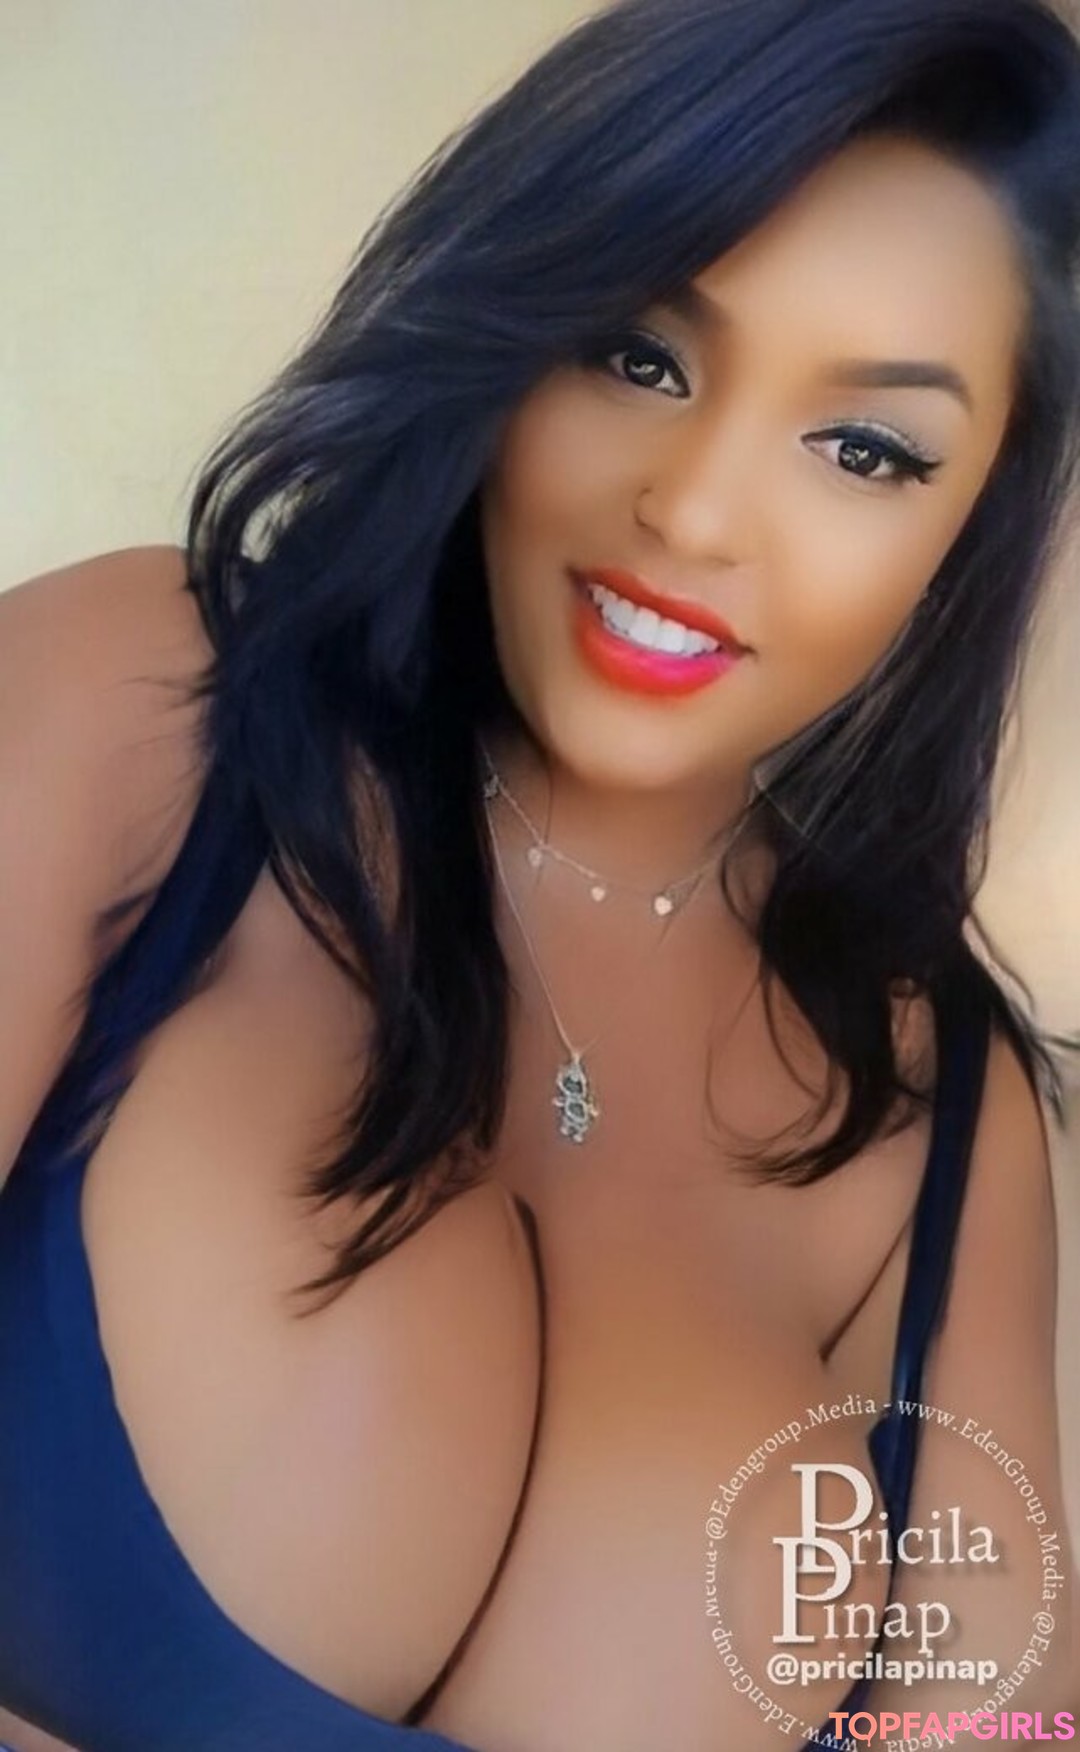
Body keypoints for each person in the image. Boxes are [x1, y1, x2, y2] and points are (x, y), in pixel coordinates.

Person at [2, 0, 1080, 1746]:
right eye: (640, 354)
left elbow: (996, 1725)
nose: (695, 513)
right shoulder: (142, 705)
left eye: (865, 449)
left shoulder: (943, 1105)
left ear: (973, 528)